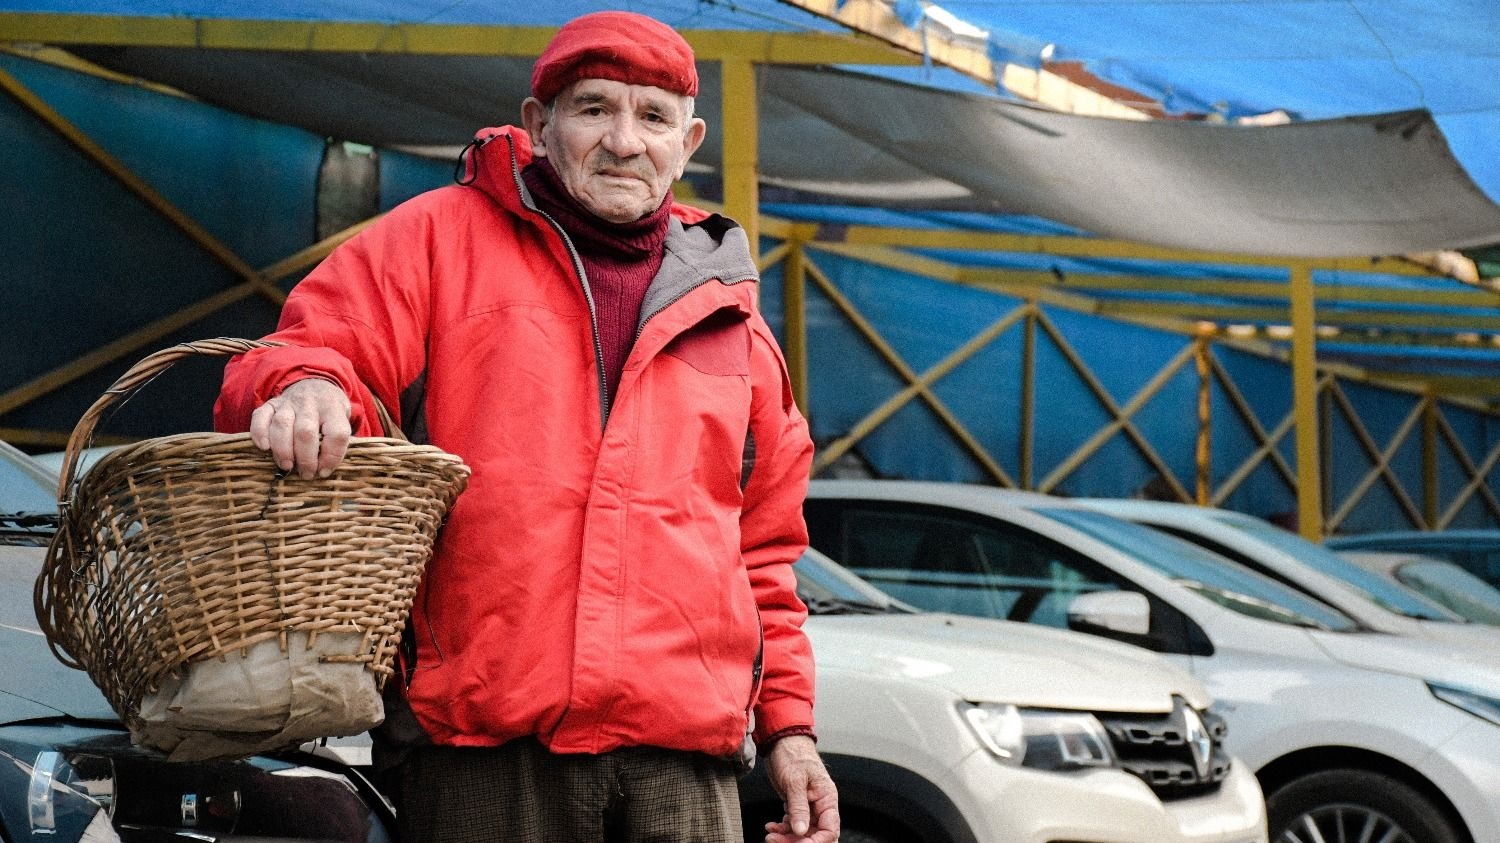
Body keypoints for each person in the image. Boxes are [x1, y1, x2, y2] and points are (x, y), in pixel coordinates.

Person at [213, 11, 838, 843]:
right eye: (594, 109)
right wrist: (306, 384)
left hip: (682, 769)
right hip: (482, 754)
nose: (624, 140)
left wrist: (791, 730)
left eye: (651, 117)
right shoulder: (437, 238)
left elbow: (765, 553)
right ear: (540, 124)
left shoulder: (733, 318)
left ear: (687, 144)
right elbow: (306, 346)